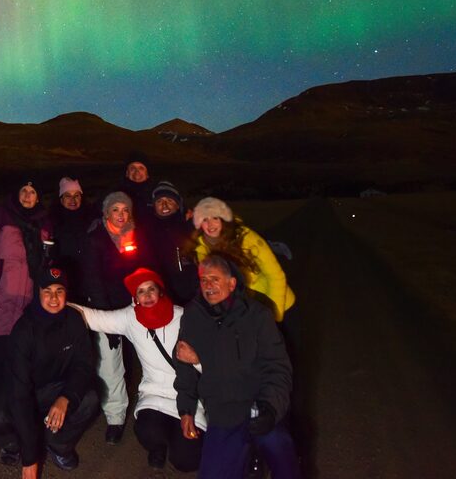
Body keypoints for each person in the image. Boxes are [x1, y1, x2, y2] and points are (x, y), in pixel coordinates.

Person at [174, 254, 300, 479]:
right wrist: (185, 410)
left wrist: (271, 408)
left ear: (232, 283)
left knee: (283, 457)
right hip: (224, 412)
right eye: (204, 280)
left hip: (260, 405)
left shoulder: (257, 315)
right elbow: (184, 368)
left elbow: (278, 367)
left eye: (215, 279)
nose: (209, 286)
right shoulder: (193, 316)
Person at [70, 267, 206, 472]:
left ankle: (175, 441)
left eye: (151, 289)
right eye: (141, 291)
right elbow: (95, 318)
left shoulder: (183, 316)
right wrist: (59, 302)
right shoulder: (130, 318)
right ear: (135, 297)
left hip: (189, 397)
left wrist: (196, 360)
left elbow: (213, 361)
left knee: (187, 461)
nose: (147, 295)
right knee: (147, 430)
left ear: (160, 291)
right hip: (155, 395)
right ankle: (157, 447)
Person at [0, 265, 100, 476]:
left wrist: (66, 398)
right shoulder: (24, 330)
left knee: (90, 398)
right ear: (38, 294)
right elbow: (19, 394)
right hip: (23, 388)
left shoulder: (74, 320)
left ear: (66, 293)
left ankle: (58, 445)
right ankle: (14, 445)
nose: (53, 298)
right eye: (47, 291)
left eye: (59, 291)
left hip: (56, 388)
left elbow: (84, 366)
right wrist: (31, 458)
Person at [83, 191, 156, 443]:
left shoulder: (138, 235)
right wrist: (107, 317)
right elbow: (93, 279)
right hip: (109, 309)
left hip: (138, 306)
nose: (121, 214)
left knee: (151, 356)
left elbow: (147, 270)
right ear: (106, 212)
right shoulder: (96, 239)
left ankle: (156, 408)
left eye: (126, 209)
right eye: (116, 209)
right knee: (110, 365)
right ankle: (115, 417)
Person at [0, 181, 52, 409]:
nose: (28, 195)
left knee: (22, 356)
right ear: (17, 194)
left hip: (28, 299)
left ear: (38, 196)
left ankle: (16, 403)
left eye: (33, 191)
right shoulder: (0, 214)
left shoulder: (43, 221)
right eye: (24, 191)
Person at [191, 197, 296, 324]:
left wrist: (273, 317)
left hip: (277, 305)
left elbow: (276, 276)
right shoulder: (201, 250)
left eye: (215, 218)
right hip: (244, 312)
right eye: (205, 219)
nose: (211, 224)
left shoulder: (245, 238)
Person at [138, 180, 200, 305]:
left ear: (178, 205)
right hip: (164, 297)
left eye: (170, 201)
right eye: (160, 201)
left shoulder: (193, 225)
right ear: (154, 206)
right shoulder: (146, 232)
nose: (165, 205)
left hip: (195, 295)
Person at [50, 177, 96, 298]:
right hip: (65, 280)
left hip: (90, 279)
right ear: (61, 199)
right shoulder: (52, 222)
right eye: (67, 196)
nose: (73, 200)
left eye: (76, 195)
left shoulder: (92, 219)